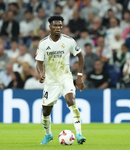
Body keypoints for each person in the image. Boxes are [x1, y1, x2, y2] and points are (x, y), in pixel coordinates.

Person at [35, 15, 86, 145]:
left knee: (71, 101)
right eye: (55, 25)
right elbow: (39, 62)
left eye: (60, 26)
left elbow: (80, 56)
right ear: (50, 27)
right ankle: (48, 135)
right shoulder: (43, 43)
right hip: (51, 81)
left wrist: (79, 76)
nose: (58, 28)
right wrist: (41, 73)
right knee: (46, 111)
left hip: (65, 77)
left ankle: (79, 134)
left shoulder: (69, 41)